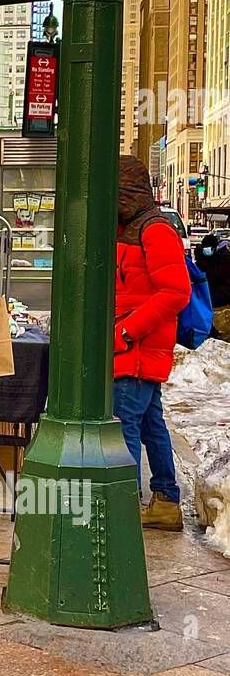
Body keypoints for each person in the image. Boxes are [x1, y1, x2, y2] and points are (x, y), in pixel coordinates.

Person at [114, 155, 192, 532]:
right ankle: (164, 500)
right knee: (150, 425)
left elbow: (176, 291)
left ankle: (124, 509)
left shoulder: (155, 229)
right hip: (135, 347)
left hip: (137, 349)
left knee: (124, 425)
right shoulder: (131, 227)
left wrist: (127, 331)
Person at [195, 233, 230, 339]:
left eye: (208, 248)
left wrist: (203, 263)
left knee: (205, 300)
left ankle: (211, 330)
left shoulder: (225, 257)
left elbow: (215, 275)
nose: (206, 250)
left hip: (225, 290)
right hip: (214, 287)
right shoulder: (212, 256)